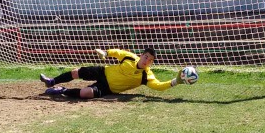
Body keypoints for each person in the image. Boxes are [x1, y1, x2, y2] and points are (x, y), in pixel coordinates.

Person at [40, 48, 184, 99]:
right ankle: (52, 81)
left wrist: (175, 81)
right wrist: (106, 53)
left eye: (150, 60)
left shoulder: (146, 76)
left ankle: (61, 90)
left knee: (85, 94)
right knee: (76, 72)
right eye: (146, 57)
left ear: (152, 62)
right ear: (142, 55)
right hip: (103, 71)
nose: (147, 61)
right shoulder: (130, 57)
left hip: (108, 88)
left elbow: (158, 86)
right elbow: (118, 53)